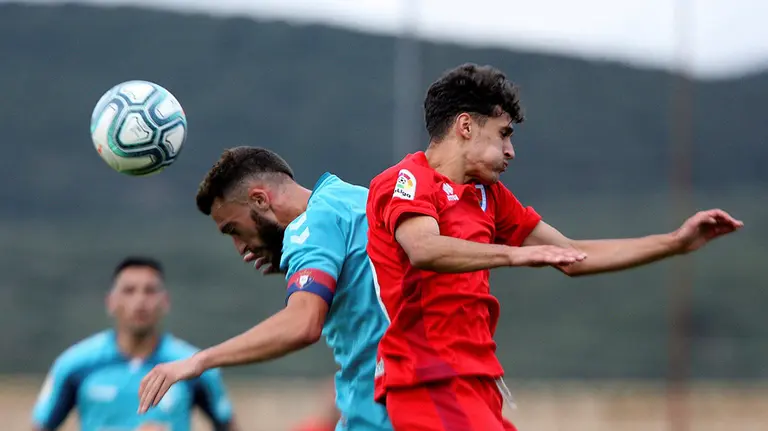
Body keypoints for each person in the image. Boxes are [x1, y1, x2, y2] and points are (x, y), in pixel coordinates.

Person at [365, 63, 744, 431]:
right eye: (503, 134)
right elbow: (424, 248)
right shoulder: (406, 179)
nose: (510, 151)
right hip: (430, 378)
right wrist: (515, 254)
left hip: (478, 380)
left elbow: (572, 255)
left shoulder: (488, 196)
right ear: (466, 125)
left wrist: (676, 243)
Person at [137, 147, 392, 431]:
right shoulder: (355, 198)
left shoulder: (310, 225)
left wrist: (200, 360)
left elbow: (302, 323)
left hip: (380, 415)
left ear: (259, 199)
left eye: (234, 229)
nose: (240, 248)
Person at [31, 256, 237, 431]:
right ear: (111, 302)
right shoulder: (74, 364)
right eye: (129, 290)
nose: (140, 301)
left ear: (165, 301)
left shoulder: (193, 365)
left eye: (149, 291)